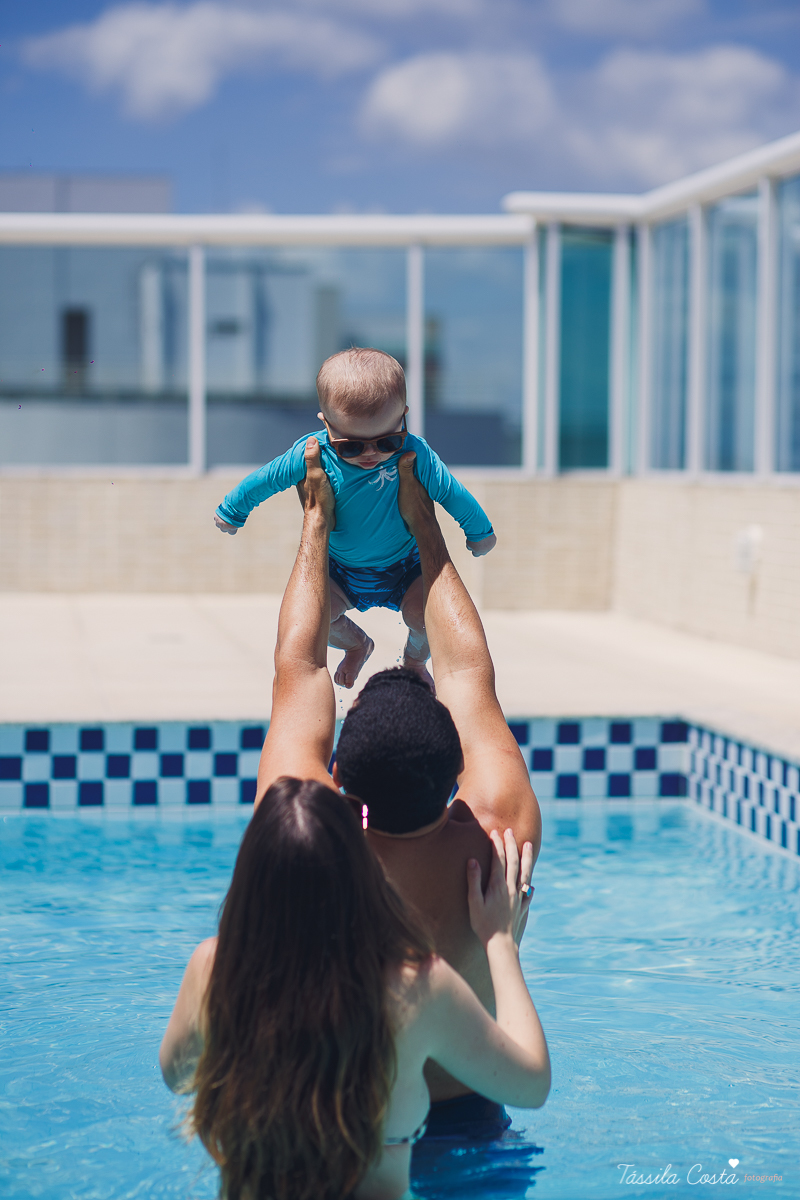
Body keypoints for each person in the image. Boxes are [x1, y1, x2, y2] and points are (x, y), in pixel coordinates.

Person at [254, 436, 543, 1143]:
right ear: (456, 779)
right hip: (468, 1120)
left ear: (339, 780)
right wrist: (426, 532)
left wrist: (316, 527)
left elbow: (298, 668)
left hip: (334, 1128)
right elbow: (469, 674)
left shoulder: (303, 840)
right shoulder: (497, 834)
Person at [160, 777, 549, 1200]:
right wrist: (500, 942)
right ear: (358, 872)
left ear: (250, 876)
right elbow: (530, 1085)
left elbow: (177, 1076)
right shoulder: (413, 987)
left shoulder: (212, 969)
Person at [213, 347, 496, 689]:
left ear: (403, 416)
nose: (371, 454)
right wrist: (234, 509)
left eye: (387, 441)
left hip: (404, 568)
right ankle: (356, 644)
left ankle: (414, 660)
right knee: (318, 619)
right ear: (326, 423)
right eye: (351, 446)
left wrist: (478, 531)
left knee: (426, 617)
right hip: (340, 571)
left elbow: (452, 493)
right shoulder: (312, 452)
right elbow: (265, 479)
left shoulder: (415, 452)